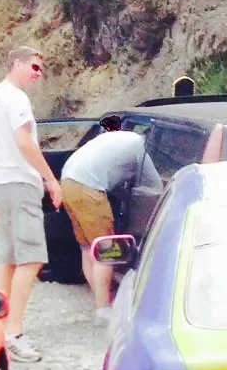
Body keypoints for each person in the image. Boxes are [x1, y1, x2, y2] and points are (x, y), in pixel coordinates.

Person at [0, 46, 62, 363]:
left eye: (41, 70)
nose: (38, 73)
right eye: (34, 66)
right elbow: (24, 143)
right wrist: (50, 179)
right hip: (21, 183)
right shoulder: (16, 98)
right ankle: (14, 332)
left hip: (0, 185)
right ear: (17, 63)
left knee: (6, 258)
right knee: (31, 258)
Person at [59, 117, 159, 322]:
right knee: (107, 250)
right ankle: (103, 310)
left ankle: (101, 301)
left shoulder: (119, 138)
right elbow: (154, 186)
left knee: (89, 248)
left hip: (68, 181)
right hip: (88, 187)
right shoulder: (140, 147)